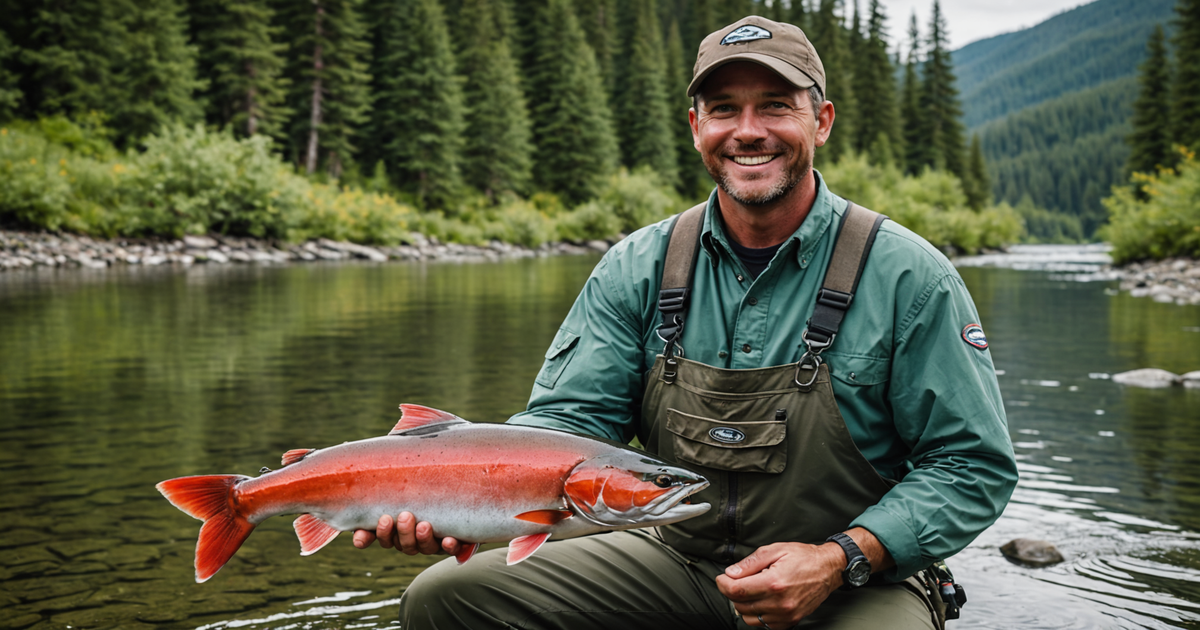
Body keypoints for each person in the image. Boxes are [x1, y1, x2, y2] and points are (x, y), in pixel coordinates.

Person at [353, 15, 1017, 630]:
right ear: (696, 125)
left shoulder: (909, 276)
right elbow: (568, 430)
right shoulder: (637, 266)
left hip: (856, 579)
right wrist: (452, 494)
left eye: (776, 106)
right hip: (677, 555)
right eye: (725, 109)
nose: (748, 130)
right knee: (445, 599)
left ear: (822, 121)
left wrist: (843, 555)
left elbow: (971, 466)